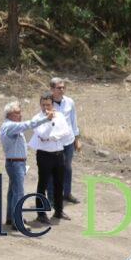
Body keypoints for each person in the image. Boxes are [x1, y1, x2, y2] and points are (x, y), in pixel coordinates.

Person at [0, 101, 54, 228]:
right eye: (17, 113)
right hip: (15, 163)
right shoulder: (11, 126)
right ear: (10, 114)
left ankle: (11, 218)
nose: (20, 115)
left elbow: (29, 132)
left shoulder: (10, 126)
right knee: (18, 193)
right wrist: (45, 119)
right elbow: (28, 125)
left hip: (15, 162)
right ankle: (17, 221)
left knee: (13, 192)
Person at [29, 93, 73, 225]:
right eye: (43, 105)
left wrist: (53, 137)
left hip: (59, 153)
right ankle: (41, 214)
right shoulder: (37, 118)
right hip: (44, 154)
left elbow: (66, 132)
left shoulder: (59, 116)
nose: (45, 107)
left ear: (52, 105)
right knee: (42, 184)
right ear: (40, 104)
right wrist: (48, 121)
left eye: (48, 104)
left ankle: (58, 210)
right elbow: (42, 134)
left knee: (59, 184)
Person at [48, 77, 81, 204]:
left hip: (68, 141)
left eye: (63, 88)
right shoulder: (48, 103)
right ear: (52, 89)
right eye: (58, 88)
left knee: (67, 168)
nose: (62, 90)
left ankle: (67, 193)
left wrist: (77, 139)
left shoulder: (69, 102)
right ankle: (51, 197)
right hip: (54, 142)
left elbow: (73, 121)